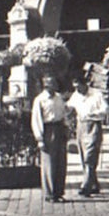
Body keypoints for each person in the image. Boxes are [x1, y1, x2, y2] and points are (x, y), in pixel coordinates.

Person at [69, 63, 108, 198]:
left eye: (79, 86)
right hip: (81, 127)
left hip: (94, 126)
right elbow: (69, 107)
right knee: (83, 157)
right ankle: (94, 184)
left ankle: (85, 186)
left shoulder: (96, 94)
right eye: (75, 87)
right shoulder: (76, 95)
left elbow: (105, 110)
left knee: (90, 157)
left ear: (84, 84)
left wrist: (93, 114)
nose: (77, 89)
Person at [31, 73, 71, 202]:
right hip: (48, 130)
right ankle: (49, 193)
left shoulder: (59, 97)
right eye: (51, 84)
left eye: (55, 83)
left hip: (59, 129)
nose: (54, 86)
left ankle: (59, 192)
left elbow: (63, 114)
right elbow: (36, 120)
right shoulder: (40, 100)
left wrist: (67, 129)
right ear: (45, 85)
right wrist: (40, 139)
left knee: (61, 162)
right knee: (49, 163)